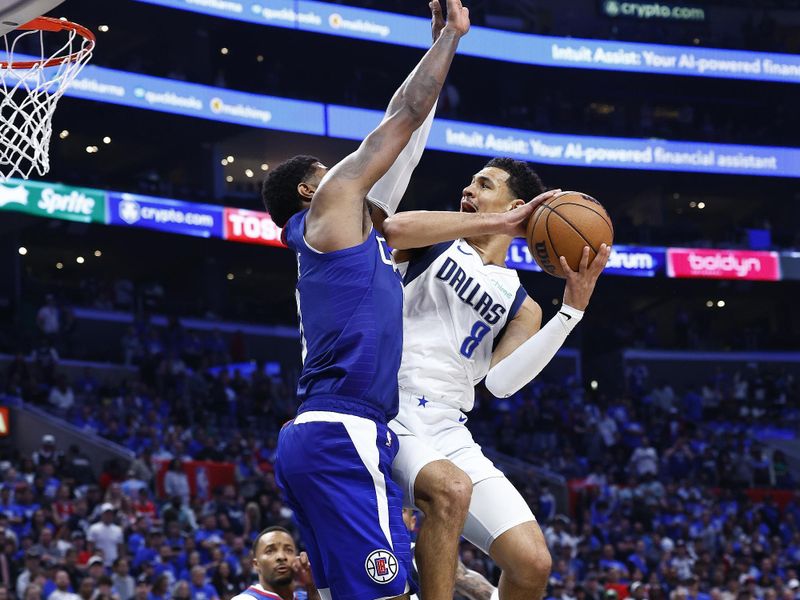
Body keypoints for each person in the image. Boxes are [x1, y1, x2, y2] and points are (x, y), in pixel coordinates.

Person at [262, 2, 472, 600]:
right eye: (330, 171)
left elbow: (404, 151)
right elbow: (401, 120)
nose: (348, 174)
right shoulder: (332, 212)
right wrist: (451, 37)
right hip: (343, 430)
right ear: (312, 190)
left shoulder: (357, 239)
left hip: (320, 430)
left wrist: (438, 48)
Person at [375, 157, 611, 600]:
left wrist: (571, 312)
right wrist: (500, 221)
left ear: (518, 204)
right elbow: (393, 229)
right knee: (449, 491)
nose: (468, 191)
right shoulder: (439, 241)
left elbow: (501, 384)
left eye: (483, 184)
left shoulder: (523, 305)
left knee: (532, 564)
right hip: (391, 410)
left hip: (448, 427)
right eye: (468, 183)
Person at [232, 526, 318, 600]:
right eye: (270, 551)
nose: (281, 556)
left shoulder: (308, 595)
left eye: (289, 550)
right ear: (256, 564)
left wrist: (311, 585)